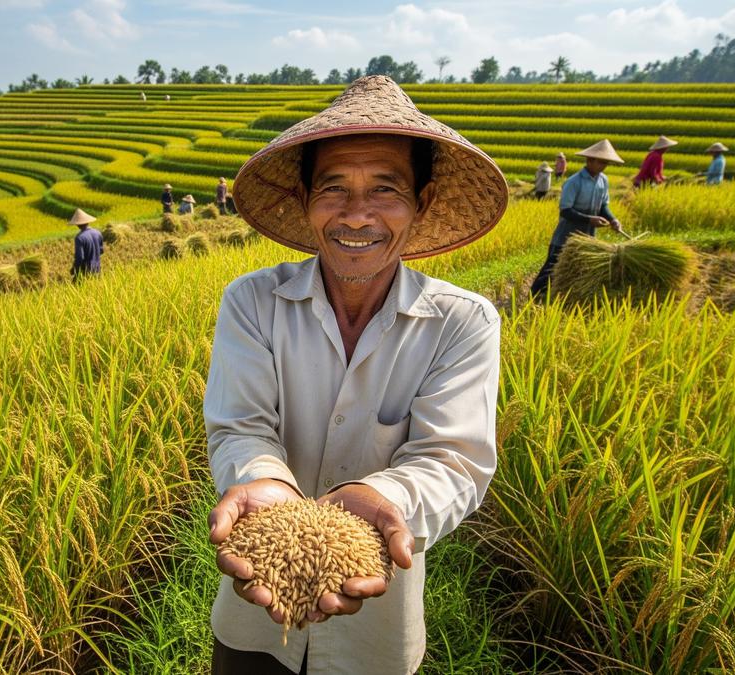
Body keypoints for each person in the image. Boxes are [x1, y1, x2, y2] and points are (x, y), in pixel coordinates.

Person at [205, 75, 506, 675]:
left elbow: (453, 459)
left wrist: (378, 498)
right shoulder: (253, 301)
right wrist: (269, 486)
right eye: (334, 188)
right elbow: (241, 428)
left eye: (386, 190)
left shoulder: (462, 322)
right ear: (305, 197)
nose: (357, 215)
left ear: (421, 203)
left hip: (377, 633)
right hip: (252, 628)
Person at [529, 139, 626, 298]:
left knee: (579, 270)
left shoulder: (603, 181)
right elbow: (565, 211)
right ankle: (533, 298)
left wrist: (613, 219)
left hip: (587, 237)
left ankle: (562, 298)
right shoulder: (574, 182)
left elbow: (603, 206)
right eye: (601, 162)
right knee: (551, 268)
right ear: (590, 160)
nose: (603, 166)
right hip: (566, 236)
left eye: (606, 163)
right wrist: (590, 219)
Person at [69, 208, 103, 281]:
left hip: (86, 272)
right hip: (97, 269)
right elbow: (101, 251)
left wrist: (74, 269)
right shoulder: (98, 233)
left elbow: (80, 258)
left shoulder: (79, 238)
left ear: (77, 224)